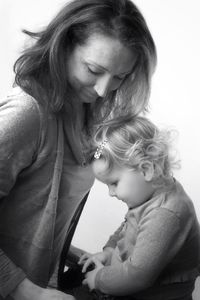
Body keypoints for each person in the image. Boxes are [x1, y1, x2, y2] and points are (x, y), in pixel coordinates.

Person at [0, 0, 157, 299]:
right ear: (64, 47)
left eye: (120, 77)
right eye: (94, 70)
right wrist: (25, 290)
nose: (102, 89)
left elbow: (33, 214)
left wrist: (69, 254)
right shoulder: (26, 113)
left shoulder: (86, 112)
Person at [73, 116, 200, 300]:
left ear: (146, 170)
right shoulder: (150, 197)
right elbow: (129, 225)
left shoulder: (166, 213)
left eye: (114, 183)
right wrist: (109, 252)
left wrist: (99, 279)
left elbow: (137, 276)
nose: (111, 193)